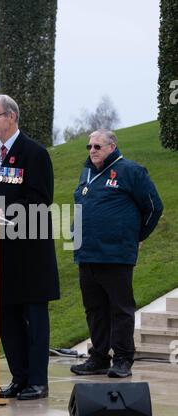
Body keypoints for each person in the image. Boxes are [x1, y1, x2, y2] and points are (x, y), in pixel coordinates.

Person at [0, 94, 60, 400]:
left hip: (30, 251)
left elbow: (41, 199)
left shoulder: (34, 153)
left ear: (12, 116)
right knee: (6, 318)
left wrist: (6, 212)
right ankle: (19, 377)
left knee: (35, 319)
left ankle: (38, 381)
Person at [71, 129, 163, 378]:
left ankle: (123, 358)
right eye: (89, 147)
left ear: (112, 146)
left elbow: (154, 207)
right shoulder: (87, 172)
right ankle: (99, 357)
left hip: (115, 255)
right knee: (94, 309)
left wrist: (136, 236)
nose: (92, 151)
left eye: (97, 146)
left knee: (120, 309)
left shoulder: (130, 171)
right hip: (87, 253)